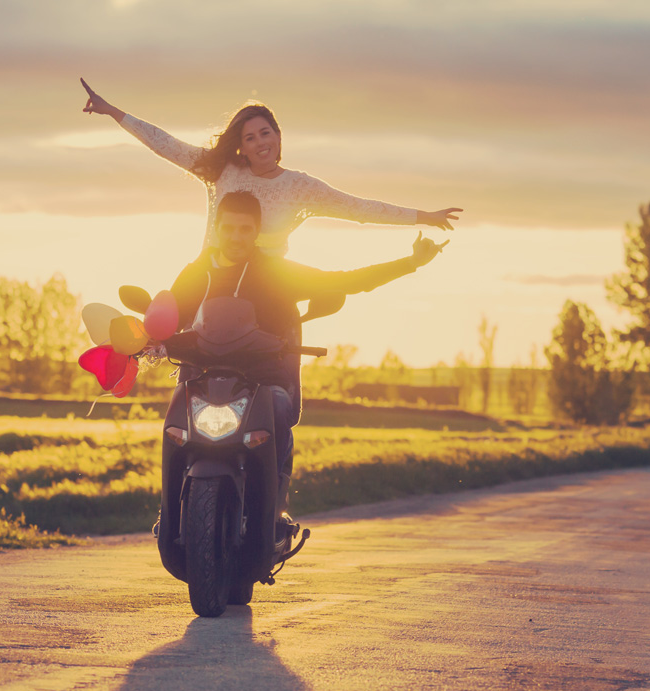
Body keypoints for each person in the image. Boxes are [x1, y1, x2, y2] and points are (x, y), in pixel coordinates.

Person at [170, 190, 446, 525]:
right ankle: (170, 511)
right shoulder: (193, 274)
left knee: (276, 406)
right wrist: (150, 339)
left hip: (262, 381)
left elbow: (344, 281)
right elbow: (168, 315)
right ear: (216, 228)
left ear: (257, 231)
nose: (236, 237)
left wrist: (410, 263)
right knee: (174, 418)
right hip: (201, 379)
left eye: (245, 229)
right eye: (228, 228)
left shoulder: (275, 272)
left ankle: (274, 506)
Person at [80, 79, 462, 257]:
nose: (261, 142)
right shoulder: (222, 172)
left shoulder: (301, 187)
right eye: (250, 138)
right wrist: (113, 111)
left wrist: (422, 216)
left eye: (266, 133)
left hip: (269, 289)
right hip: (212, 277)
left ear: (278, 137)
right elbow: (164, 144)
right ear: (241, 148)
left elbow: (358, 208)